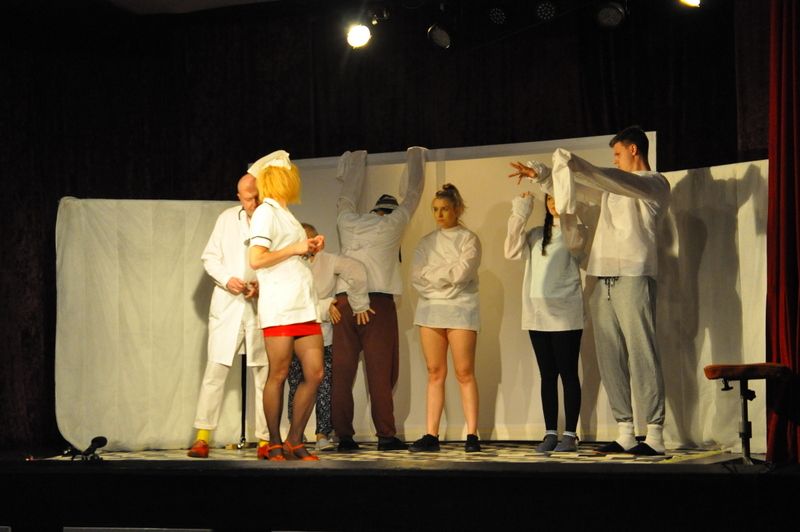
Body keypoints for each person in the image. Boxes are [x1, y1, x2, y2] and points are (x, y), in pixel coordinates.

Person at [509, 126, 670, 455]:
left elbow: (613, 180)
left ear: (634, 150)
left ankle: (654, 434)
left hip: (634, 275)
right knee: (610, 355)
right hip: (601, 277)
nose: (615, 160)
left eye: (618, 153)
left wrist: (578, 164)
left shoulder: (654, 183)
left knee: (641, 351)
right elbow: (578, 190)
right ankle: (625, 430)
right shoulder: (610, 191)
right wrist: (543, 176)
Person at [332, 147, 426, 452]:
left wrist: (357, 160)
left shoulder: (348, 221)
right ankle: (385, 434)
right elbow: (413, 194)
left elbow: (346, 197)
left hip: (344, 302)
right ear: (390, 210)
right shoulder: (392, 224)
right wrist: (416, 157)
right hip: (377, 304)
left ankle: (343, 436)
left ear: (374, 209)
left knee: (342, 372)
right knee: (381, 371)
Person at [248, 149, 325, 461]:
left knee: (315, 373)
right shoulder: (265, 212)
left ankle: (295, 438)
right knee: (278, 374)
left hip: (303, 303)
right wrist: (295, 248)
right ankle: (274, 442)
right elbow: (256, 259)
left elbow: (289, 255)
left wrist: (309, 248)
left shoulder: (285, 213)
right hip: (280, 306)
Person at [188, 173, 269, 458]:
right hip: (228, 304)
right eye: (247, 199)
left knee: (263, 374)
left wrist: (262, 284)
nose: (252, 204)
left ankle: (265, 439)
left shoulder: (272, 218)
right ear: (239, 197)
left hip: (260, 306)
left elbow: (279, 260)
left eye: (256, 197)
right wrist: (226, 279)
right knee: (215, 371)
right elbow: (210, 257)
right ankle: (202, 436)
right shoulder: (226, 219)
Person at [504, 191, 586, 453]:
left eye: (558, 197)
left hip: (565, 312)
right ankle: (551, 432)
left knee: (568, 373)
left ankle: (570, 434)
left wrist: (569, 215)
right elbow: (510, 250)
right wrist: (521, 210)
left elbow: (577, 248)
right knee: (547, 375)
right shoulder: (536, 234)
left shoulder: (575, 231)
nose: (553, 203)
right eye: (549, 198)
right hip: (537, 313)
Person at [409, 184, 482, 453]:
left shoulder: (469, 239)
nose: (439, 214)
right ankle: (431, 434)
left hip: (461, 309)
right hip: (430, 310)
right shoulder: (426, 242)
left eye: (445, 209)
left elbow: (462, 273)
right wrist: (445, 278)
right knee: (434, 372)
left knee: (464, 372)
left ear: (457, 209)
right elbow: (417, 276)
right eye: (435, 209)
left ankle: (472, 434)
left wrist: (435, 276)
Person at [287, 222, 372, 452]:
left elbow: (356, 270)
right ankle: (295, 433)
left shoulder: (329, 261)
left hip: (323, 335)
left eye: (309, 239)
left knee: (324, 385)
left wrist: (359, 303)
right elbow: (293, 301)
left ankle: (322, 433)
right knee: (295, 383)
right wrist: (324, 307)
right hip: (296, 332)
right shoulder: (290, 264)